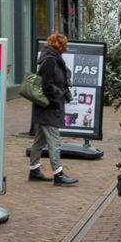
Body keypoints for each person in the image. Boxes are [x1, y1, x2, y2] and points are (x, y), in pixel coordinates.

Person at [28, 33, 78, 186]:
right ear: (59, 46)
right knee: (54, 141)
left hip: (45, 107)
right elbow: (47, 86)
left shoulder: (52, 59)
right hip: (48, 107)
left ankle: (34, 170)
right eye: (64, 45)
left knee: (39, 141)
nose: (66, 48)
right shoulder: (50, 61)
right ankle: (58, 174)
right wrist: (59, 98)